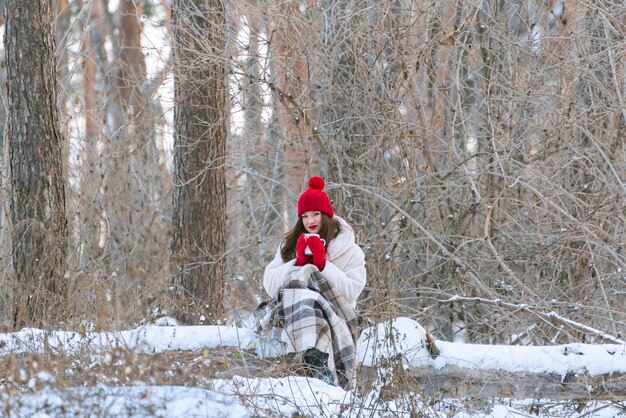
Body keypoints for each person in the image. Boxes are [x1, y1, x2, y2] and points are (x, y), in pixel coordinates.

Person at [257, 176, 366, 387]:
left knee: (312, 295)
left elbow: (351, 292)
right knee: (304, 293)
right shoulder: (289, 245)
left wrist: (323, 265)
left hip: (336, 314)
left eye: (315, 214)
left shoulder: (352, 251)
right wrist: (296, 263)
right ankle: (314, 362)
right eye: (305, 216)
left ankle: (316, 364)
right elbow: (270, 285)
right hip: (291, 312)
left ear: (326, 215)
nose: (310, 221)